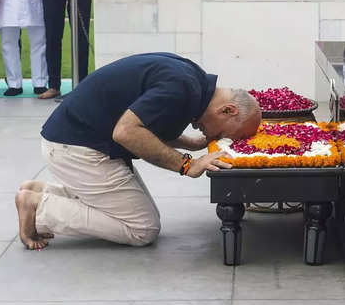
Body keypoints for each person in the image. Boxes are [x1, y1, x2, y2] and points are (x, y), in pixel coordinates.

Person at [14, 52, 262, 250]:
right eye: (226, 135)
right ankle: (38, 207)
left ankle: (39, 190)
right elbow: (126, 132)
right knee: (142, 228)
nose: (219, 139)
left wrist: (192, 143)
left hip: (75, 140)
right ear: (228, 110)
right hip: (77, 149)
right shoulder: (180, 89)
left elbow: (146, 125)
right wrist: (187, 165)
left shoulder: (191, 80)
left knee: (139, 215)